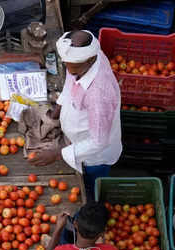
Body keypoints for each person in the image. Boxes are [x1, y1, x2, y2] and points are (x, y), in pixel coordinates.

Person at [29, 30, 122, 202]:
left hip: (95, 156)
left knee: (91, 187)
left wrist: (58, 153)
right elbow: (71, 81)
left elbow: (98, 141)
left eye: (72, 65)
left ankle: (95, 202)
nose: (67, 69)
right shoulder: (85, 61)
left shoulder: (98, 95)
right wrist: (57, 111)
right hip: (79, 136)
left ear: (89, 60)